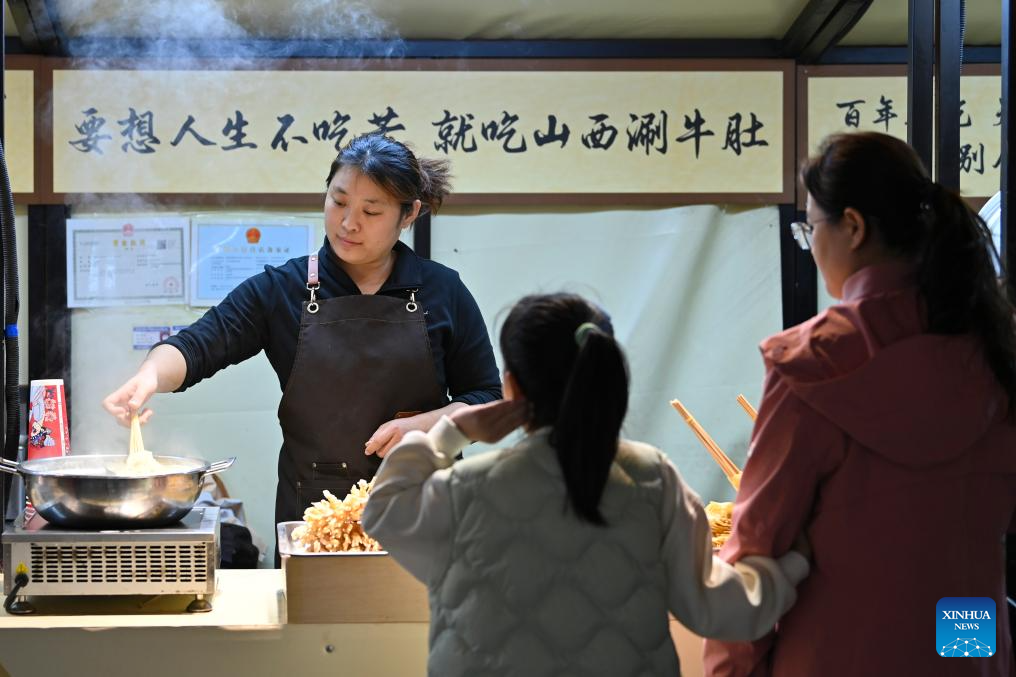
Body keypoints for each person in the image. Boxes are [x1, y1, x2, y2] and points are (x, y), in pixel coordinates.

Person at [362, 293, 809, 676]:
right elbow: (717, 609)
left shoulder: (468, 488)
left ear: (511, 386)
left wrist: (451, 432)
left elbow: (382, 511)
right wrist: (790, 565)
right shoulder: (651, 477)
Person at [703, 131, 1016, 676]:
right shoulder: (994, 350)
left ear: (853, 226)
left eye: (810, 228)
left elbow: (756, 555)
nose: (811, 245)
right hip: (968, 649)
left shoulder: (811, 363)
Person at [103, 134, 502, 557]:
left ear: (409, 214)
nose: (348, 223)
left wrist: (425, 425)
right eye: (338, 201)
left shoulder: (443, 290)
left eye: (371, 211)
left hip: (423, 509)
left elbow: (487, 399)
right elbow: (197, 345)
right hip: (315, 518)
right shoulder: (283, 288)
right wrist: (149, 375)